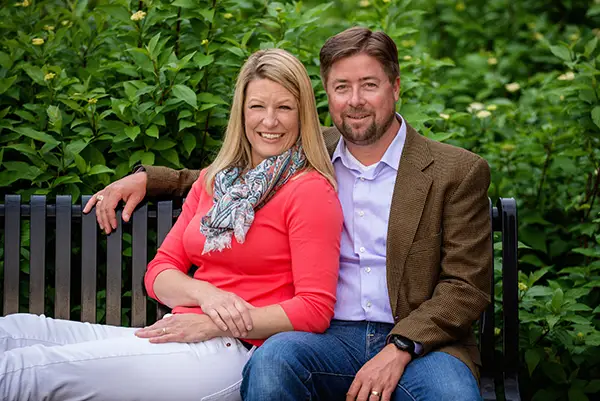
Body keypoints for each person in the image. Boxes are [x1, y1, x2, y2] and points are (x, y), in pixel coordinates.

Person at [84, 27, 492, 401]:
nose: (355, 100)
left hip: (421, 345)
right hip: (324, 336)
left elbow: (465, 286)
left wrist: (399, 348)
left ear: (395, 86)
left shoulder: (454, 171)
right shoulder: (308, 152)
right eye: (342, 87)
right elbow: (227, 175)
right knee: (273, 364)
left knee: (453, 397)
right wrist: (147, 179)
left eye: (369, 85)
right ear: (327, 93)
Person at [0, 48, 343, 401]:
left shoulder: (309, 190)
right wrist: (206, 294)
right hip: (179, 331)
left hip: (233, 351)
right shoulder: (214, 181)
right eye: (257, 106)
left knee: (27, 371)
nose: (269, 121)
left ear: (303, 114)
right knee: (12, 331)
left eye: (284, 107)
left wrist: (215, 322)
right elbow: (159, 272)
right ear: (241, 112)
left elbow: (314, 309)